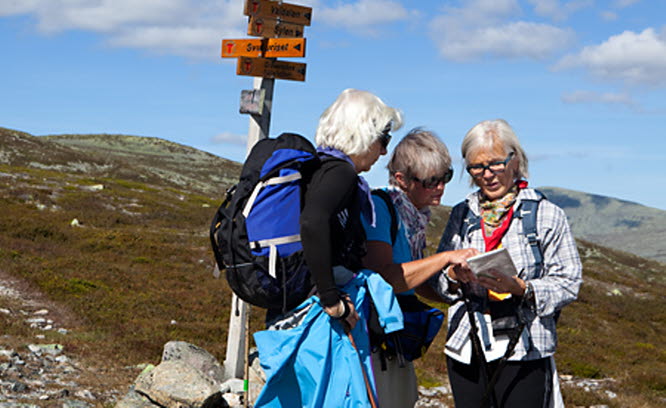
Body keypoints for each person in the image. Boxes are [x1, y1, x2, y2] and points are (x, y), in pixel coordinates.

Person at [254, 88, 404, 408]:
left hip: (294, 306)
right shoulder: (341, 172)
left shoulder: (318, 169)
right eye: (383, 140)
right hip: (320, 315)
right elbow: (312, 222)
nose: (382, 152)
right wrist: (331, 298)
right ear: (364, 135)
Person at [432, 119, 582, 407]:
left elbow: (569, 282)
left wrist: (521, 287)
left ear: (515, 160)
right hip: (468, 345)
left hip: (525, 347)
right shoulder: (462, 215)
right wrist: (453, 275)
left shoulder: (547, 216)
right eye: (476, 167)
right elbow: (440, 280)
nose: (487, 175)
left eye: (495, 164)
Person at [362, 128, 478, 408]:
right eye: (430, 181)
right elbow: (387, 279)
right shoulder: (380, 209)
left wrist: (467, 292)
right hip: (372, 340)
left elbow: (416, 280)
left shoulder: (414, 219)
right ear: (401, 179)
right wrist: (445, 258)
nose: (440, 187)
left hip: (394, 339)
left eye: (445, 177)